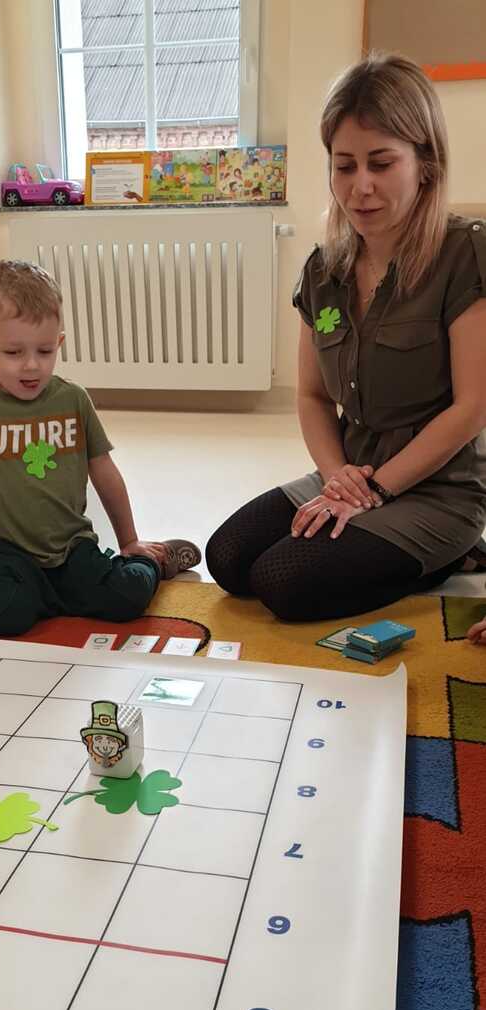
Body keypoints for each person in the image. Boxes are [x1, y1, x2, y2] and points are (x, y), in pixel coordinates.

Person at [206, 53, 486, 622]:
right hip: (351, 474)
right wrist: (337, 479)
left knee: (283, 582)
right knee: (229, 559)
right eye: (344, 166)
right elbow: (312, 396)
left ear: (425, 163)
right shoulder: (322, 269)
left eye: (381, 163)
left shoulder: (466, 254)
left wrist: (375, 494)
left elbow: (473, 408)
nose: (361, 188)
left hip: (438, 490)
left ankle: (453, 552)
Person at [0, 260, 199, 635]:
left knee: (127, 596)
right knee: (5, 614)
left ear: (59, 342)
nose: (31, 366)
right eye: (13, 352)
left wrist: (129, 541)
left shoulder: (73, 399)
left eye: (44, 351)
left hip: (72, 546)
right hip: (7, 551)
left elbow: (104, 472)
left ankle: (157, 561)